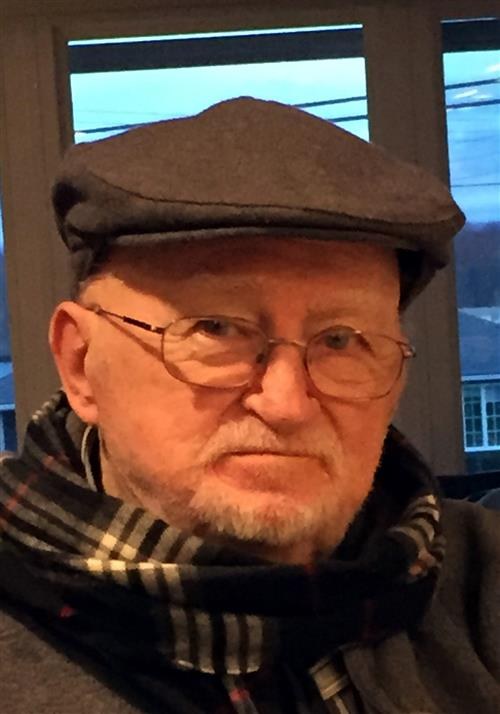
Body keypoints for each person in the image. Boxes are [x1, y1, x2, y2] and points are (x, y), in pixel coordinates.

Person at [0, 97, 498, 714]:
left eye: (341, 340)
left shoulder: (480, 583)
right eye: (215, 328)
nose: (286, 404)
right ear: (81, 364)